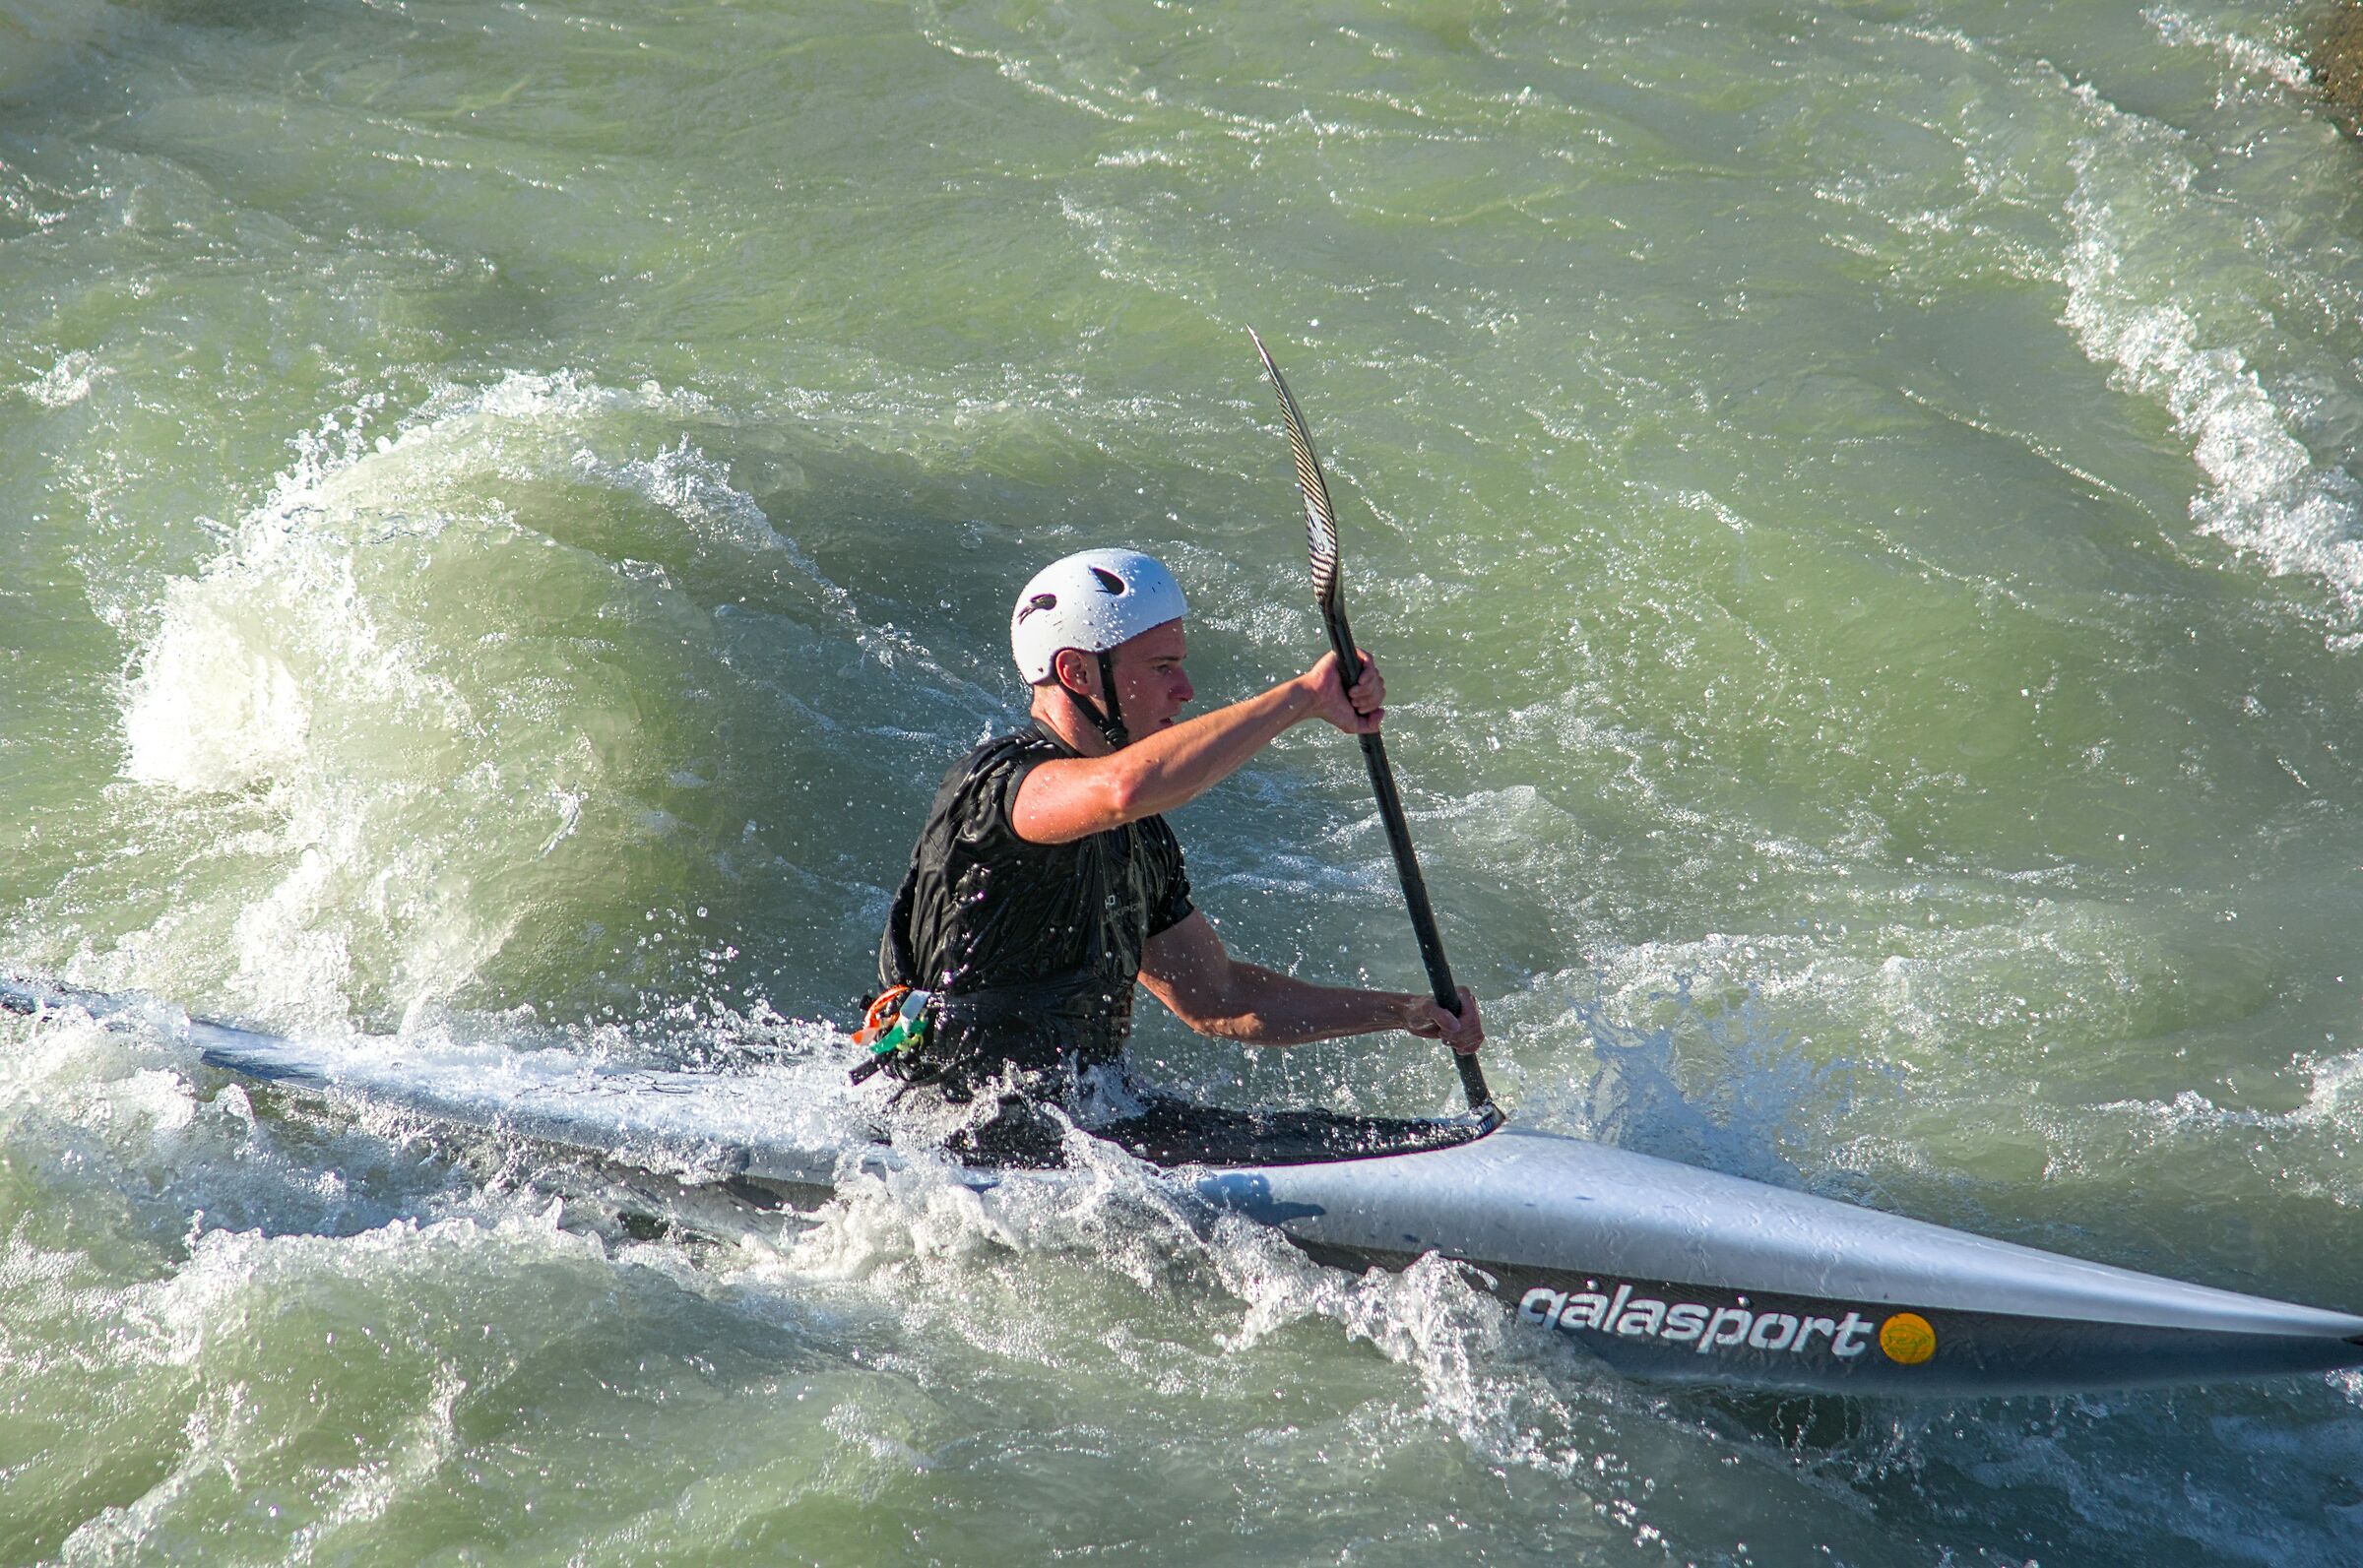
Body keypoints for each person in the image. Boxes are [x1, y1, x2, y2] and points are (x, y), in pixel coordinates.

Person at [863, 546, 1484, 1164]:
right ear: (1077, 673)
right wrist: (1304, 698)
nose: (1185, 689)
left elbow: (1220, 998)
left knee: (1347, 1139)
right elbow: (1120, 788)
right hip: (948, 1124)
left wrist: (1405, 1012)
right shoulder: (1002, 786)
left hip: (1089, 1115)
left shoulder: (1141, 838)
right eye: (1162, 667)